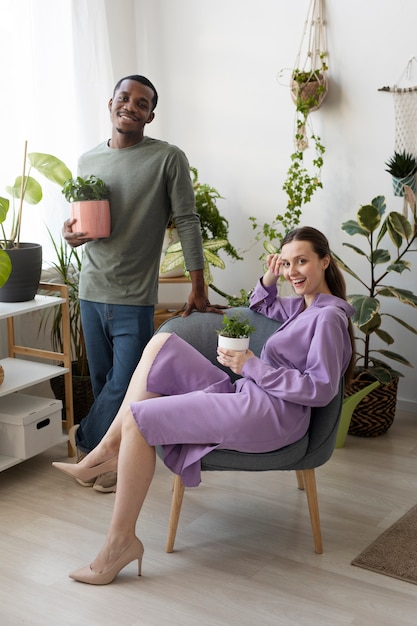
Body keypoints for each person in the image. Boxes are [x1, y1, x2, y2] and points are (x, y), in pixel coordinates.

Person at [53, 226, 355, 585]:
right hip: (251, 396)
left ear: (325, 261)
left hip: (273, 415)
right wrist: (272, 275)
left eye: (302, 261)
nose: (294, 272)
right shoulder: (304, 306)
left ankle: (119, 543)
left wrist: (252, 366)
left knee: (139, 420)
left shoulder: (329, 317)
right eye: (288, 262)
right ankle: (106, 450)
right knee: (161, 344)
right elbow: (261, 304)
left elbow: (320, 389)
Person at [63, 74, 225, 492]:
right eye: (124, 98)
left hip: (134, 295)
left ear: (151, 114)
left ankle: (86, 445)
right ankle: (110, 461)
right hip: (90, 289)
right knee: (103, 383)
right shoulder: (87, 161)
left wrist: (198, 284)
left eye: (141, 103)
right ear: (111, 103)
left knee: (126, 383)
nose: (130, 106)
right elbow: (83, 221)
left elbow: (187, 221)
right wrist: (71, 233)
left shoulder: (167, 158)